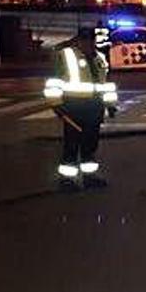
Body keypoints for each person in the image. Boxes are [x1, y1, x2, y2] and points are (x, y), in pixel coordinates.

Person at [43, 28, 117, 191]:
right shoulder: (67, 56)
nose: (88, 44)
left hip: (94, 108)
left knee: (90, 145)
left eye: (90, 41)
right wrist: (57, 106)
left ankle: (89, 177)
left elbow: (105, 85)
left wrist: (110, 105)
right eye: (84, 40)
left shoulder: (100, 58)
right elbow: (53, 83)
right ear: (78, 41)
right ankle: (66, 180)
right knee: (72, 145)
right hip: (73, 108)